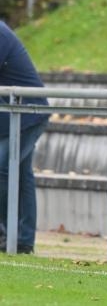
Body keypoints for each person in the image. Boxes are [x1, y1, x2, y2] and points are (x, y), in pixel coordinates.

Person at [0, 21, 50, 254]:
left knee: (4, 169)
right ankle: (22, 241)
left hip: (28, 112)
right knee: (20, 174)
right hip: (13, 115)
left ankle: (8, 236)